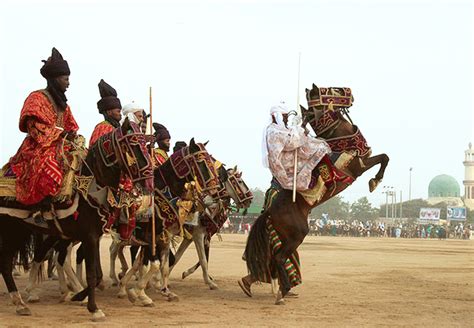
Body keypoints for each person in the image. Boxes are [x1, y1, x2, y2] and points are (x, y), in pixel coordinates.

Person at [238, 101, 331, 298]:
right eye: (286, 117)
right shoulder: (274, 132)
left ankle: (283, 283)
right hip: (278, 190)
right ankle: (253, 279)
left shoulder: (282, 131)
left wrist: (302, 129)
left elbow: (297, 143)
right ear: (276, 117)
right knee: (279, 244)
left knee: (290, 242)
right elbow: (292, 142)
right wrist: (300, 130)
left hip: (286, 189)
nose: (288, 120)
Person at [9, 48, 79, 205]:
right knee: (50, 167)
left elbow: (71, 127)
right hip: (37, 148)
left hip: (61, 147)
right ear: (55, 78)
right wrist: (60, 134)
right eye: (66, 79)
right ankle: (40, 208)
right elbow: (34, 125)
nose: (69, 83)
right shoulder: (37, 98)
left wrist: (72, 136)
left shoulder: (63, 106)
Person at [89, 79, 122, 146]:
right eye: (118, 111)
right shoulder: (102, 127)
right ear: (109, 112)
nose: (120, 114)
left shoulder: (117, 128)